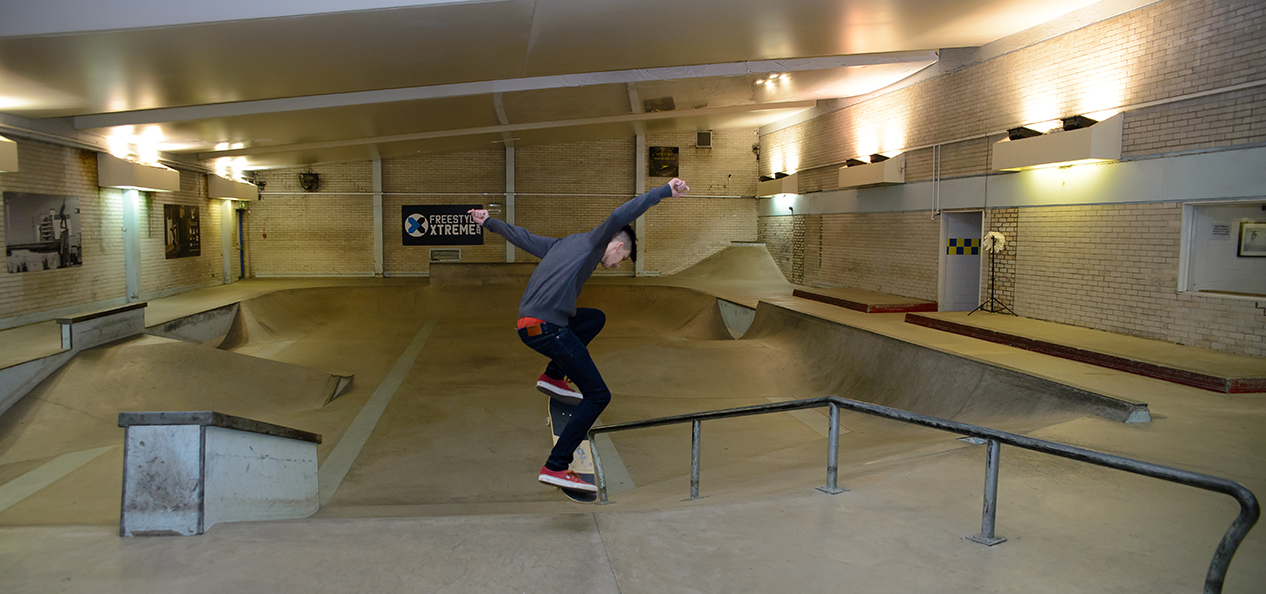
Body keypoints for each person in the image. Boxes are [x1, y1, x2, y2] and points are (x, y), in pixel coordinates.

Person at [468, 178, 690, 493]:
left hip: (528, 326)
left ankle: (552, 376)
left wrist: (489, 222)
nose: (616, 266)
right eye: (621, 260)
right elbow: (619, 216)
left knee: (594, 318)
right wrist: (664, 192)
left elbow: (523, 237)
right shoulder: (595, 242)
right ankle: (556, 465)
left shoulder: (561, 245)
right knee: (598, 395)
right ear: (616, 245)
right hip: (548, 330)